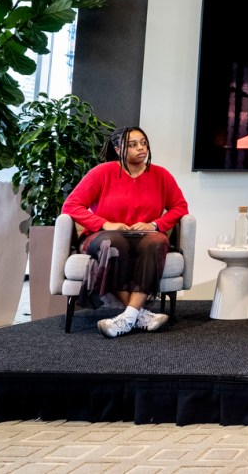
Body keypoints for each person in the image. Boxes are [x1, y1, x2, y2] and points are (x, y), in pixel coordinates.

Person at [61, 126, 190, 339]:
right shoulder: (102, 172)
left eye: (143, 143)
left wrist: (155, 225)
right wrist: (104, 224)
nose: (141, 148)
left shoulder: (160, 175)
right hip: (103, 236)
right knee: (113, 243)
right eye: (133, 145)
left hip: (143, 237)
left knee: (157, 242)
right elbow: (72, 205)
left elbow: (180, 207)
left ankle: (127, 318)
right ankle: (139, 315)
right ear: (118, 149)